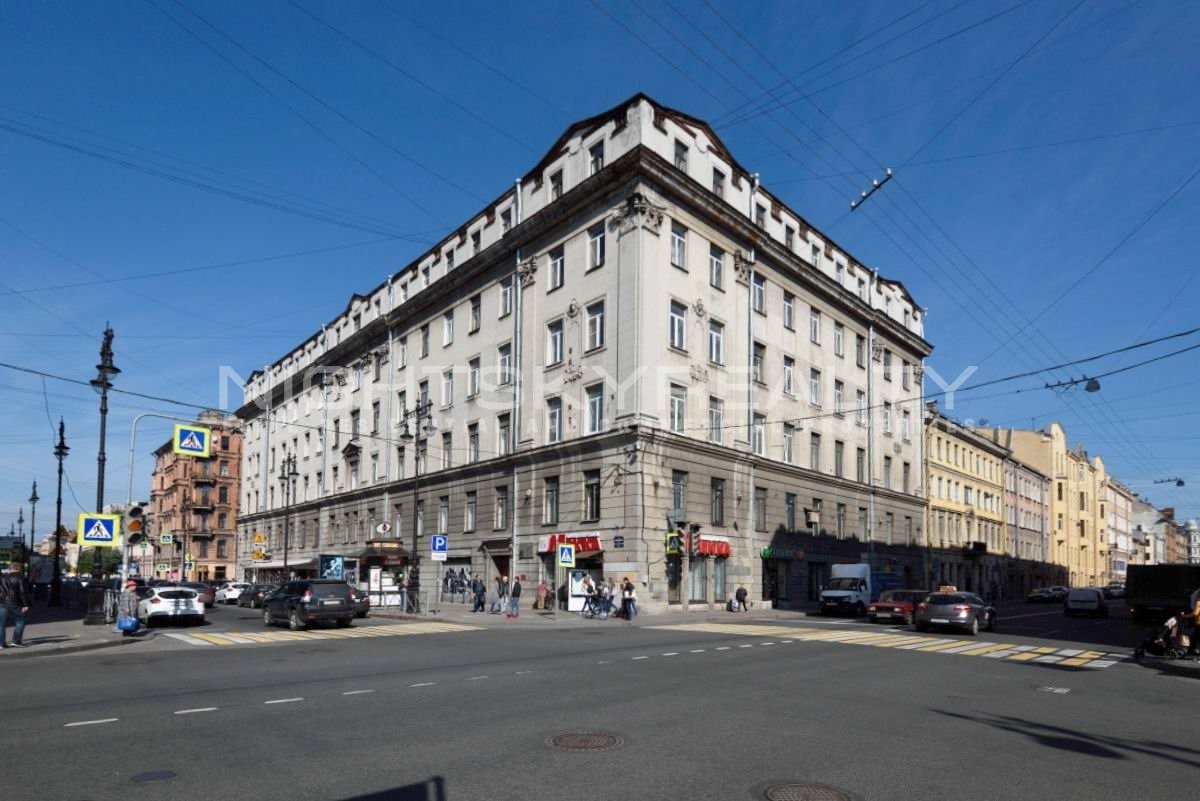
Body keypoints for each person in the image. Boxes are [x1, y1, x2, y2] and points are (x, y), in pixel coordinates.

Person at [0, 562, 33, 648]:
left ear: (10, 568)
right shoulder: (21, 578)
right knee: (20, 621)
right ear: (19, 568)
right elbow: (23, 592)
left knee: (1, 624)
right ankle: (16, 641)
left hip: (3, 602)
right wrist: (25, 604)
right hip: (15, 603)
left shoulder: (3, 577)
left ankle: (1, 643)